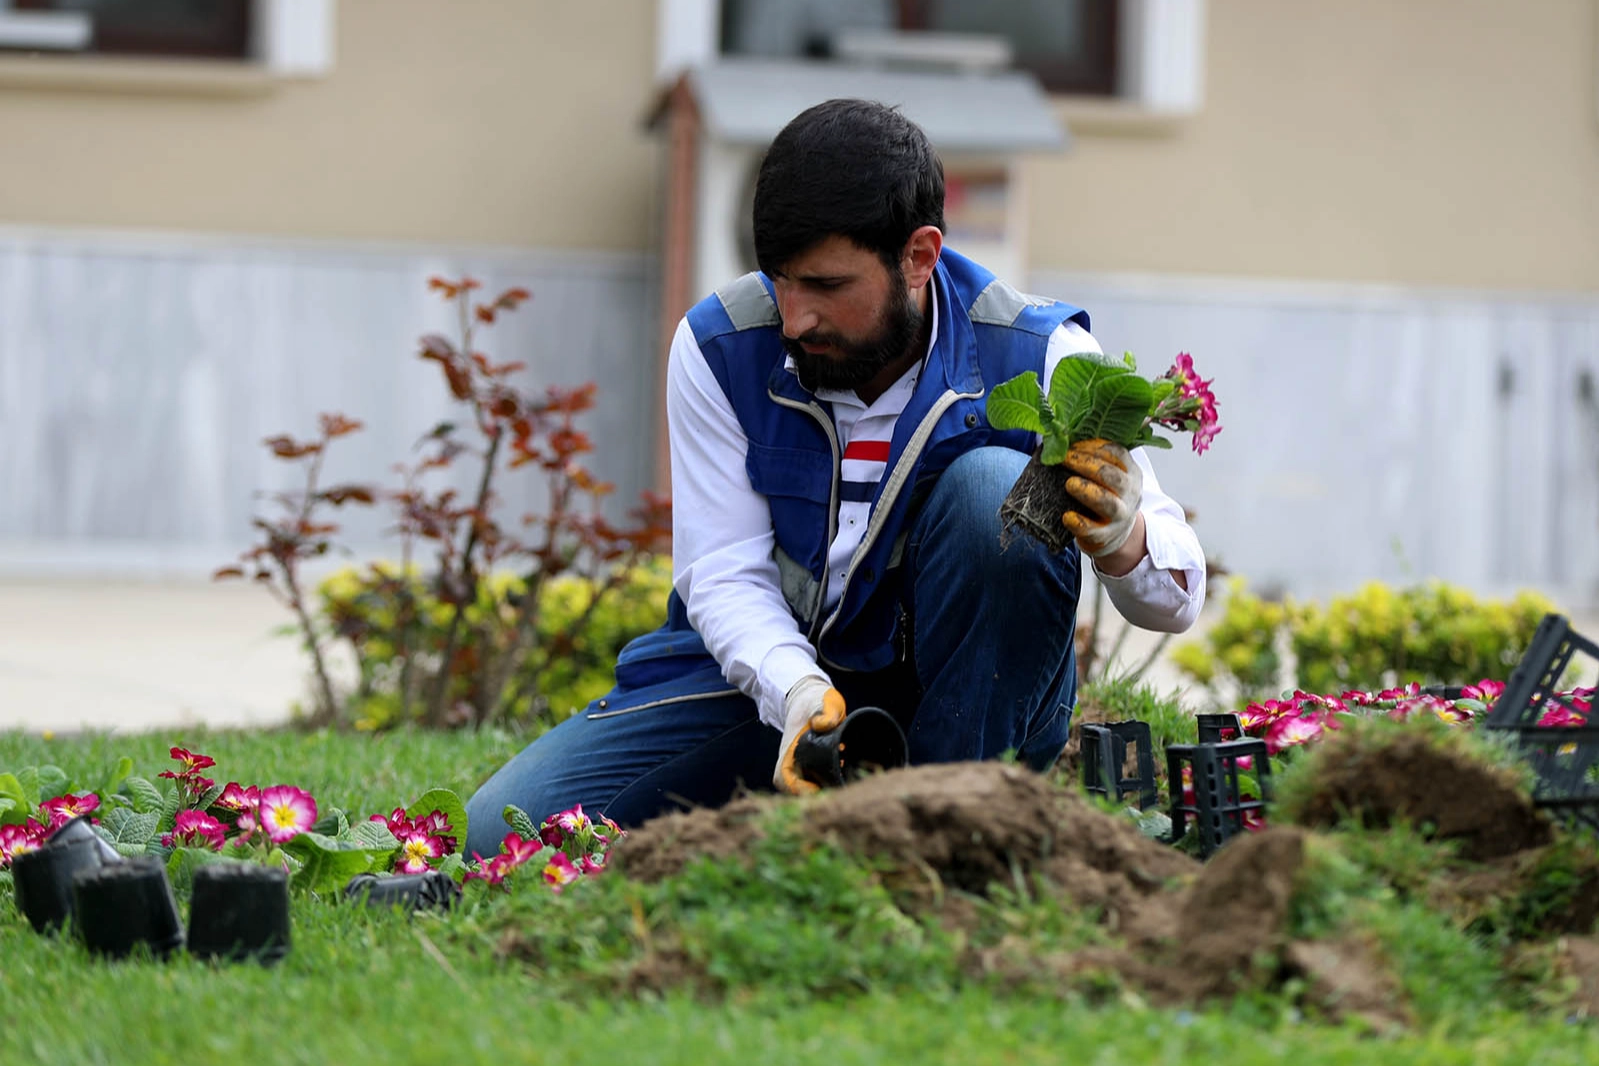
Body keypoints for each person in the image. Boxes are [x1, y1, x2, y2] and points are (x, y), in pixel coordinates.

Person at [463, 99, 1204, 856]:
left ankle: (952, 835)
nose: (793, 319)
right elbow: (721, 572)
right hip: (768, 689)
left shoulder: (1040, 355)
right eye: (779, 279)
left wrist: (1124, 539)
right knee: (499, 835)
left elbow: (1178, 600)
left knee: (990, 492)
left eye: (824, 284)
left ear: (919, 255)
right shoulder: (719, 346)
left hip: (955, 700)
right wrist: (795, 691)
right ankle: (811, 810)